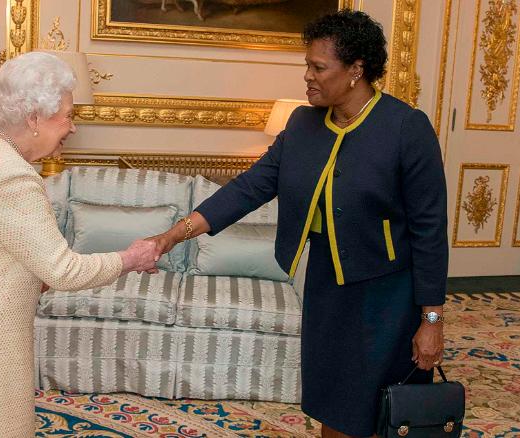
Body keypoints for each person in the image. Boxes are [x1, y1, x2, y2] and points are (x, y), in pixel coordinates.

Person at [147, 10, 447, 438]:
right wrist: (174, 234)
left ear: (356, 70)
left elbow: (430, 229)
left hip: (387, 292)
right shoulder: (304, 124)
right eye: (306, 65)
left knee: (383, 404)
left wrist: (431, 320)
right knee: (332, 396)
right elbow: (249, 187)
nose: (307, 76)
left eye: (318, 67)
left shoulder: (406, 128)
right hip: (327, 283)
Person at [0, 52, 159, 438]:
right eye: (68, 115)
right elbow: (64, 270)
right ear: (34, 119)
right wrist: (130, 258)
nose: (72, 128)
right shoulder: (11, 177)